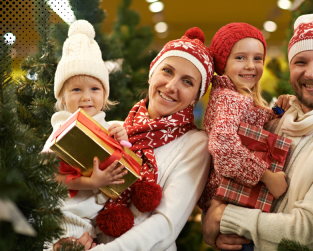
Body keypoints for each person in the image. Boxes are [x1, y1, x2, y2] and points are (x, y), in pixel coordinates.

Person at [53, 27, 214, 251]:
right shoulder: (116, 129)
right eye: (167, 71)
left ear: (197, 95)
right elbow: (86, 200)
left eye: (187, 82)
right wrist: (69, 241)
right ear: (152, 73)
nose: (171, 86)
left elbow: (165, 225)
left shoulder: (196, 145)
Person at [202, 13, 313, 251]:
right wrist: (217, 229)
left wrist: (224, 217)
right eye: (301, 62)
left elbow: (307, 231)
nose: (311, 73)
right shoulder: (279, 120)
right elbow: (226, 158)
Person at [197, 23, 290, 251]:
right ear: (223, 62)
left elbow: (248, 130)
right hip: (232, 204)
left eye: (257, 58)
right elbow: (224, 147)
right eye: (240, 57)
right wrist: (267, 176)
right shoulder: (230, 99)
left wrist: (277, 112)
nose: (250, 66)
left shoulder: (228, 96)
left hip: (230, 206)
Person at [42, 20, 130, 250]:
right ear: (62, 97)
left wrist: (122, 137)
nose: (86, 97)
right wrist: (91, 182)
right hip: (64, 218)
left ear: (104, 93)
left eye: (94, 89)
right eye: (76, 89)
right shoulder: (61, 130)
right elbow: (51, 177)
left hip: (94, 222)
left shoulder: (107, 125)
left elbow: (122, 160)